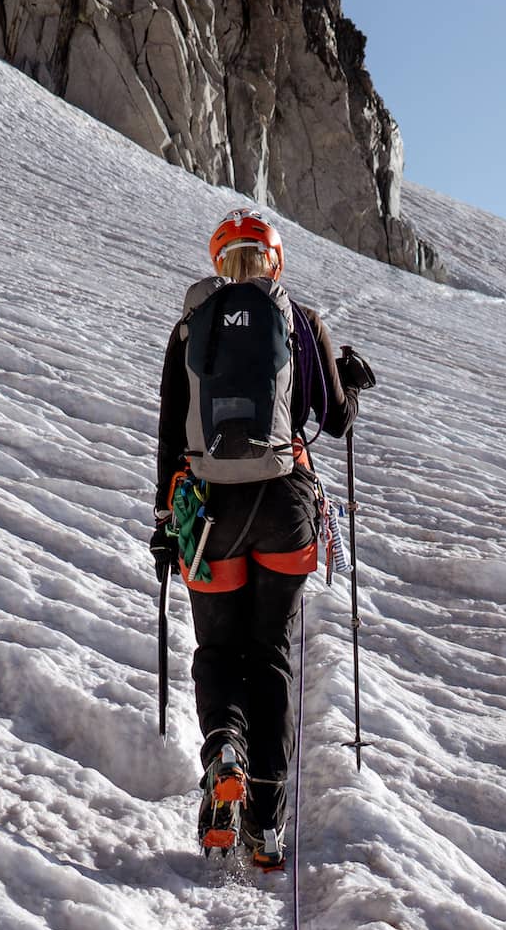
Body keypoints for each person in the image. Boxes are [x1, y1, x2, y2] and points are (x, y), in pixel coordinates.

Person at [150, 208, 373, 869]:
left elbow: (170, 442)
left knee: (219, 648)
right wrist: (352, 383)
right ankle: (267, 826)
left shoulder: (191, 326)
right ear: (273, 261)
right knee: (270, 651)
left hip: (210, 510)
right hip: (284, 506)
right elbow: (334, 420)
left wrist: (166, 528)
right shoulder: (300, 321)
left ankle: (224, 748)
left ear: (220, 261)